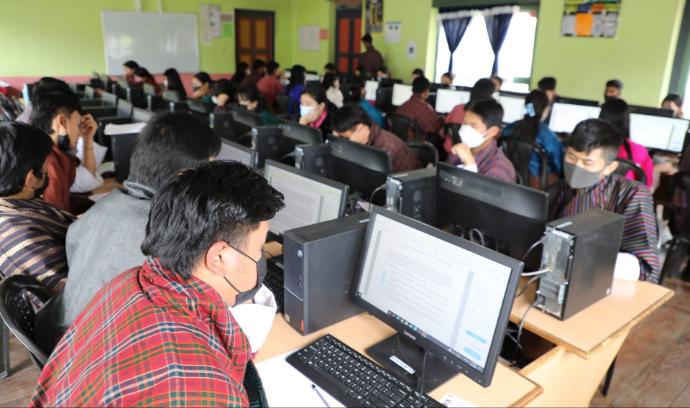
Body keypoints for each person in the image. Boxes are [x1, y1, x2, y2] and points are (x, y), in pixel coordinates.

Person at [32, 161, 284, 407]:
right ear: (219, 257)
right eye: (259, 248)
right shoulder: (203, 390)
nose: (260, 258)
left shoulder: (129, 281)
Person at [60, 112, 221, 328]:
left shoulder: (97, 211)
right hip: (100, 345)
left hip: (62, 335)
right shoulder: (169, 237)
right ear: (183, 177)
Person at [546, 119, 659, 283]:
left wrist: (587, 260)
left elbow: (646, 267)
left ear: (609, 167)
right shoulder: (555, 191)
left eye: (587, 162)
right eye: (571, 157)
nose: (577, 167)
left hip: (604, 282)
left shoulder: (632, 194)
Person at [0, 122, 75, 292]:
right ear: (31, 178)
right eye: (45, 166)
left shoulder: (16, 203)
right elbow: (72, 296)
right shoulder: (19, 235)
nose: (48, 170)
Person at [30, 91, 101, 212]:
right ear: (62, 122)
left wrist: (87, 139)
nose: (80, 132)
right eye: (78, 124)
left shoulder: (53, 153)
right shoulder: (48, 164)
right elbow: (56, 216)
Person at [502, 90, 564, 187]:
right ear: (545, 110)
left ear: (526, 106)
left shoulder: (508, 128)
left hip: (509, 176)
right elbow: (559, 166)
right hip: (538, 185)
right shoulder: (547, 135)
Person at [332, 105, 421, 172]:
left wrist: (353, 147)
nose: (345, 141)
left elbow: (366, 177)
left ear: (359, 128)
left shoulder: (386, 148)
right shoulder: (373, 136)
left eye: (346, 138)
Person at [447, 98, 516, 183]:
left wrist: (470, 166)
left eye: (473, 126)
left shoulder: (498, 169)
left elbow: (473, 192)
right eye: (464, 123)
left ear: (492, 132)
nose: (465, 129)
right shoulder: (460, 151)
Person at [598, 98, 654, 188]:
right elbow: (647, 184)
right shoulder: (640, 151)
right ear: (627, 121)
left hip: (593, 195)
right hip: (628, 196)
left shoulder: (592, 147)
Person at [442, 78, 496, 155]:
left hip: (450, 151)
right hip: (474, 154)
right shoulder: (487, 115)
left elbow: (443, 131)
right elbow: (494, 138)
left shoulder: (457, 108)